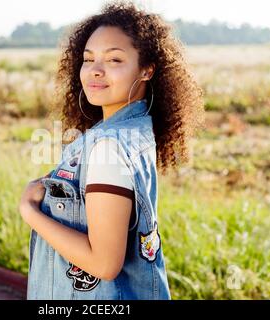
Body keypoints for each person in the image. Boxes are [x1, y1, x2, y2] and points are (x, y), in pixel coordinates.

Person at [19, 0, 204, 299]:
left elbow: (104, 264)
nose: (95, 71)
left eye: (114, 60)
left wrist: (29, 210)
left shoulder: (110, 146)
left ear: (146, 70)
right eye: (88, 59)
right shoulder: (134, 130)